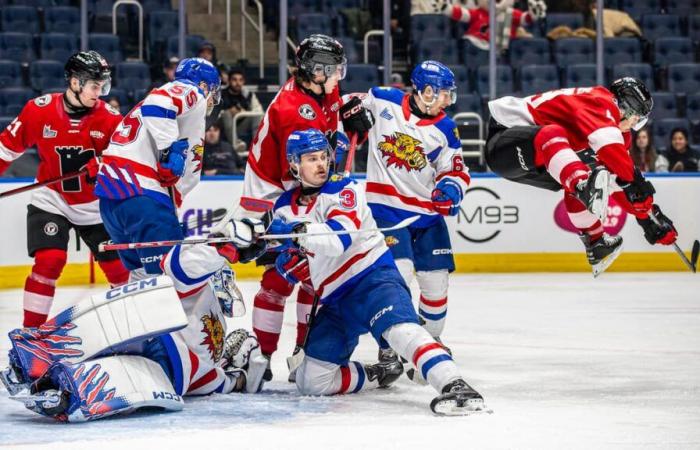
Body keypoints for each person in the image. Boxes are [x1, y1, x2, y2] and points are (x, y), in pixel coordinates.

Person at [269, 129, 489, 416]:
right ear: (294, 163)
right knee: (312, 382)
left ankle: (454, 384)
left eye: (324, 156)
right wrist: (275, 255)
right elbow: (292, 253)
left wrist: (298, 233)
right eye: (312, 159)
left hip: (372, 279)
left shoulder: (343, 188)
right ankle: (377, 373)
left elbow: (338, 240)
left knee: (401, 331)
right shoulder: (283, 206)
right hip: (335, 300)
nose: (322, 164)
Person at [0, 217, 270, 422]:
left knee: (93, 369)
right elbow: (179, 269)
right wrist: (242, 380)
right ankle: (54, 383)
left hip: (158, 351)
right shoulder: (198, 285)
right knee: (99, 372)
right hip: (159, 350)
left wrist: (238, 379)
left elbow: (212, 380)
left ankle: (47, 376)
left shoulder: (209, 318)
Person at [234, 34, 374, 381]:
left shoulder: (320, 89)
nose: (339, 77)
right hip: (274, 194)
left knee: (311, 276)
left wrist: (347, 117)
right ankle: (262, 357)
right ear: (315, 71)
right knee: (281, 276)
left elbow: (330, 130)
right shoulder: (294, 110)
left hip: (298, 187)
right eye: (334, 70)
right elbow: (309, 166)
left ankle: (301, 353)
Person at [485, 78, 678, 276]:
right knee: (559, 142)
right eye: (637, 116)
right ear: (626, 106)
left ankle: (596, 243)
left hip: (536, 159)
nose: (636, 123)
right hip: (505, 138)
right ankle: (581, 186)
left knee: (590, 173)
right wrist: (637, 184)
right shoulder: (602, 101)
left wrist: (647, 217)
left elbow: (619, 181)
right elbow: (620, 165)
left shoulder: (618, 134)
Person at [0, 51, 129, 327]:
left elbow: (129, 163)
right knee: (50, 261)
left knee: (119, 270)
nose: (101, 93)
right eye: (96, 86)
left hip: (95, 205)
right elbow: (5, 150)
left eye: (103, 86)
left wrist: (106, 166)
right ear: (75, 82)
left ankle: (134, 331)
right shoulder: (38, 110)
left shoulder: (110, 119)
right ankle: (30, 336)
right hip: (52, 200)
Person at [358, 61, 469, 355]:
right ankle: (389, 347)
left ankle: (427, 343)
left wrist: (450, 188)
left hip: (428, 217)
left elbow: (456, 169)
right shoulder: (383, 99)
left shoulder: (446, 127)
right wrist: (347, 119)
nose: (448, 100)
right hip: (388, 211)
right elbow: (343, 106)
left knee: (436, 284)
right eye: (444, 93)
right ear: (427, 91)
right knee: (399, 277)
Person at [94, 58, 222, 280]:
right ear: (204, 85)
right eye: (213, 90)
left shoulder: (175, 114)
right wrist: (168, 151)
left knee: (141, 281)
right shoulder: (192, 93)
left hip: (113, 201)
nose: (213, 98)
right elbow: (159, 102)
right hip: (142, 196)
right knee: (171, 282)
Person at [218, 68, 263, 152]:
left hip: (241, 126)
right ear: (229, 81)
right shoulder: (220, 94)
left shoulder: (248, 95)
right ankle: (236, 145)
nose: (237, 83)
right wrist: (229, 112)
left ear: (243, 81)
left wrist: (243, 113)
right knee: (226, 114)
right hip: (223, 127)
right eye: (234, 80)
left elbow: (259, 111)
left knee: (257, 115)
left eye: (240, 80)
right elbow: (212, 114)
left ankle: (257, 146)